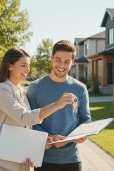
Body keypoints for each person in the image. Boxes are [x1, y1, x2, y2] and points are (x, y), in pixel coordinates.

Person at [0, 48, 76, 171]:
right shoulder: (1, 90)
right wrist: (57, 104)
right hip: (4, 163)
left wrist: (47, 139)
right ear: (10, 66)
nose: (27, 69)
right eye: (23, 65)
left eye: (28, 66)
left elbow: (27, 127)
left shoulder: (21, 91)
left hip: (24, 161)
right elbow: (24, 118)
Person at [26, 40, 91, 171]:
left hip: (72, 159)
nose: (62, 65)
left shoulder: (80, 88)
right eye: (58, 59)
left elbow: (86, 119)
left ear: (72, 62)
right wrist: (49, 138)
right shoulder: (35, 87)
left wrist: (83, 135)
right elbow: (29, 122)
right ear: (51, 58)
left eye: (67, 61)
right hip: (43, 158)